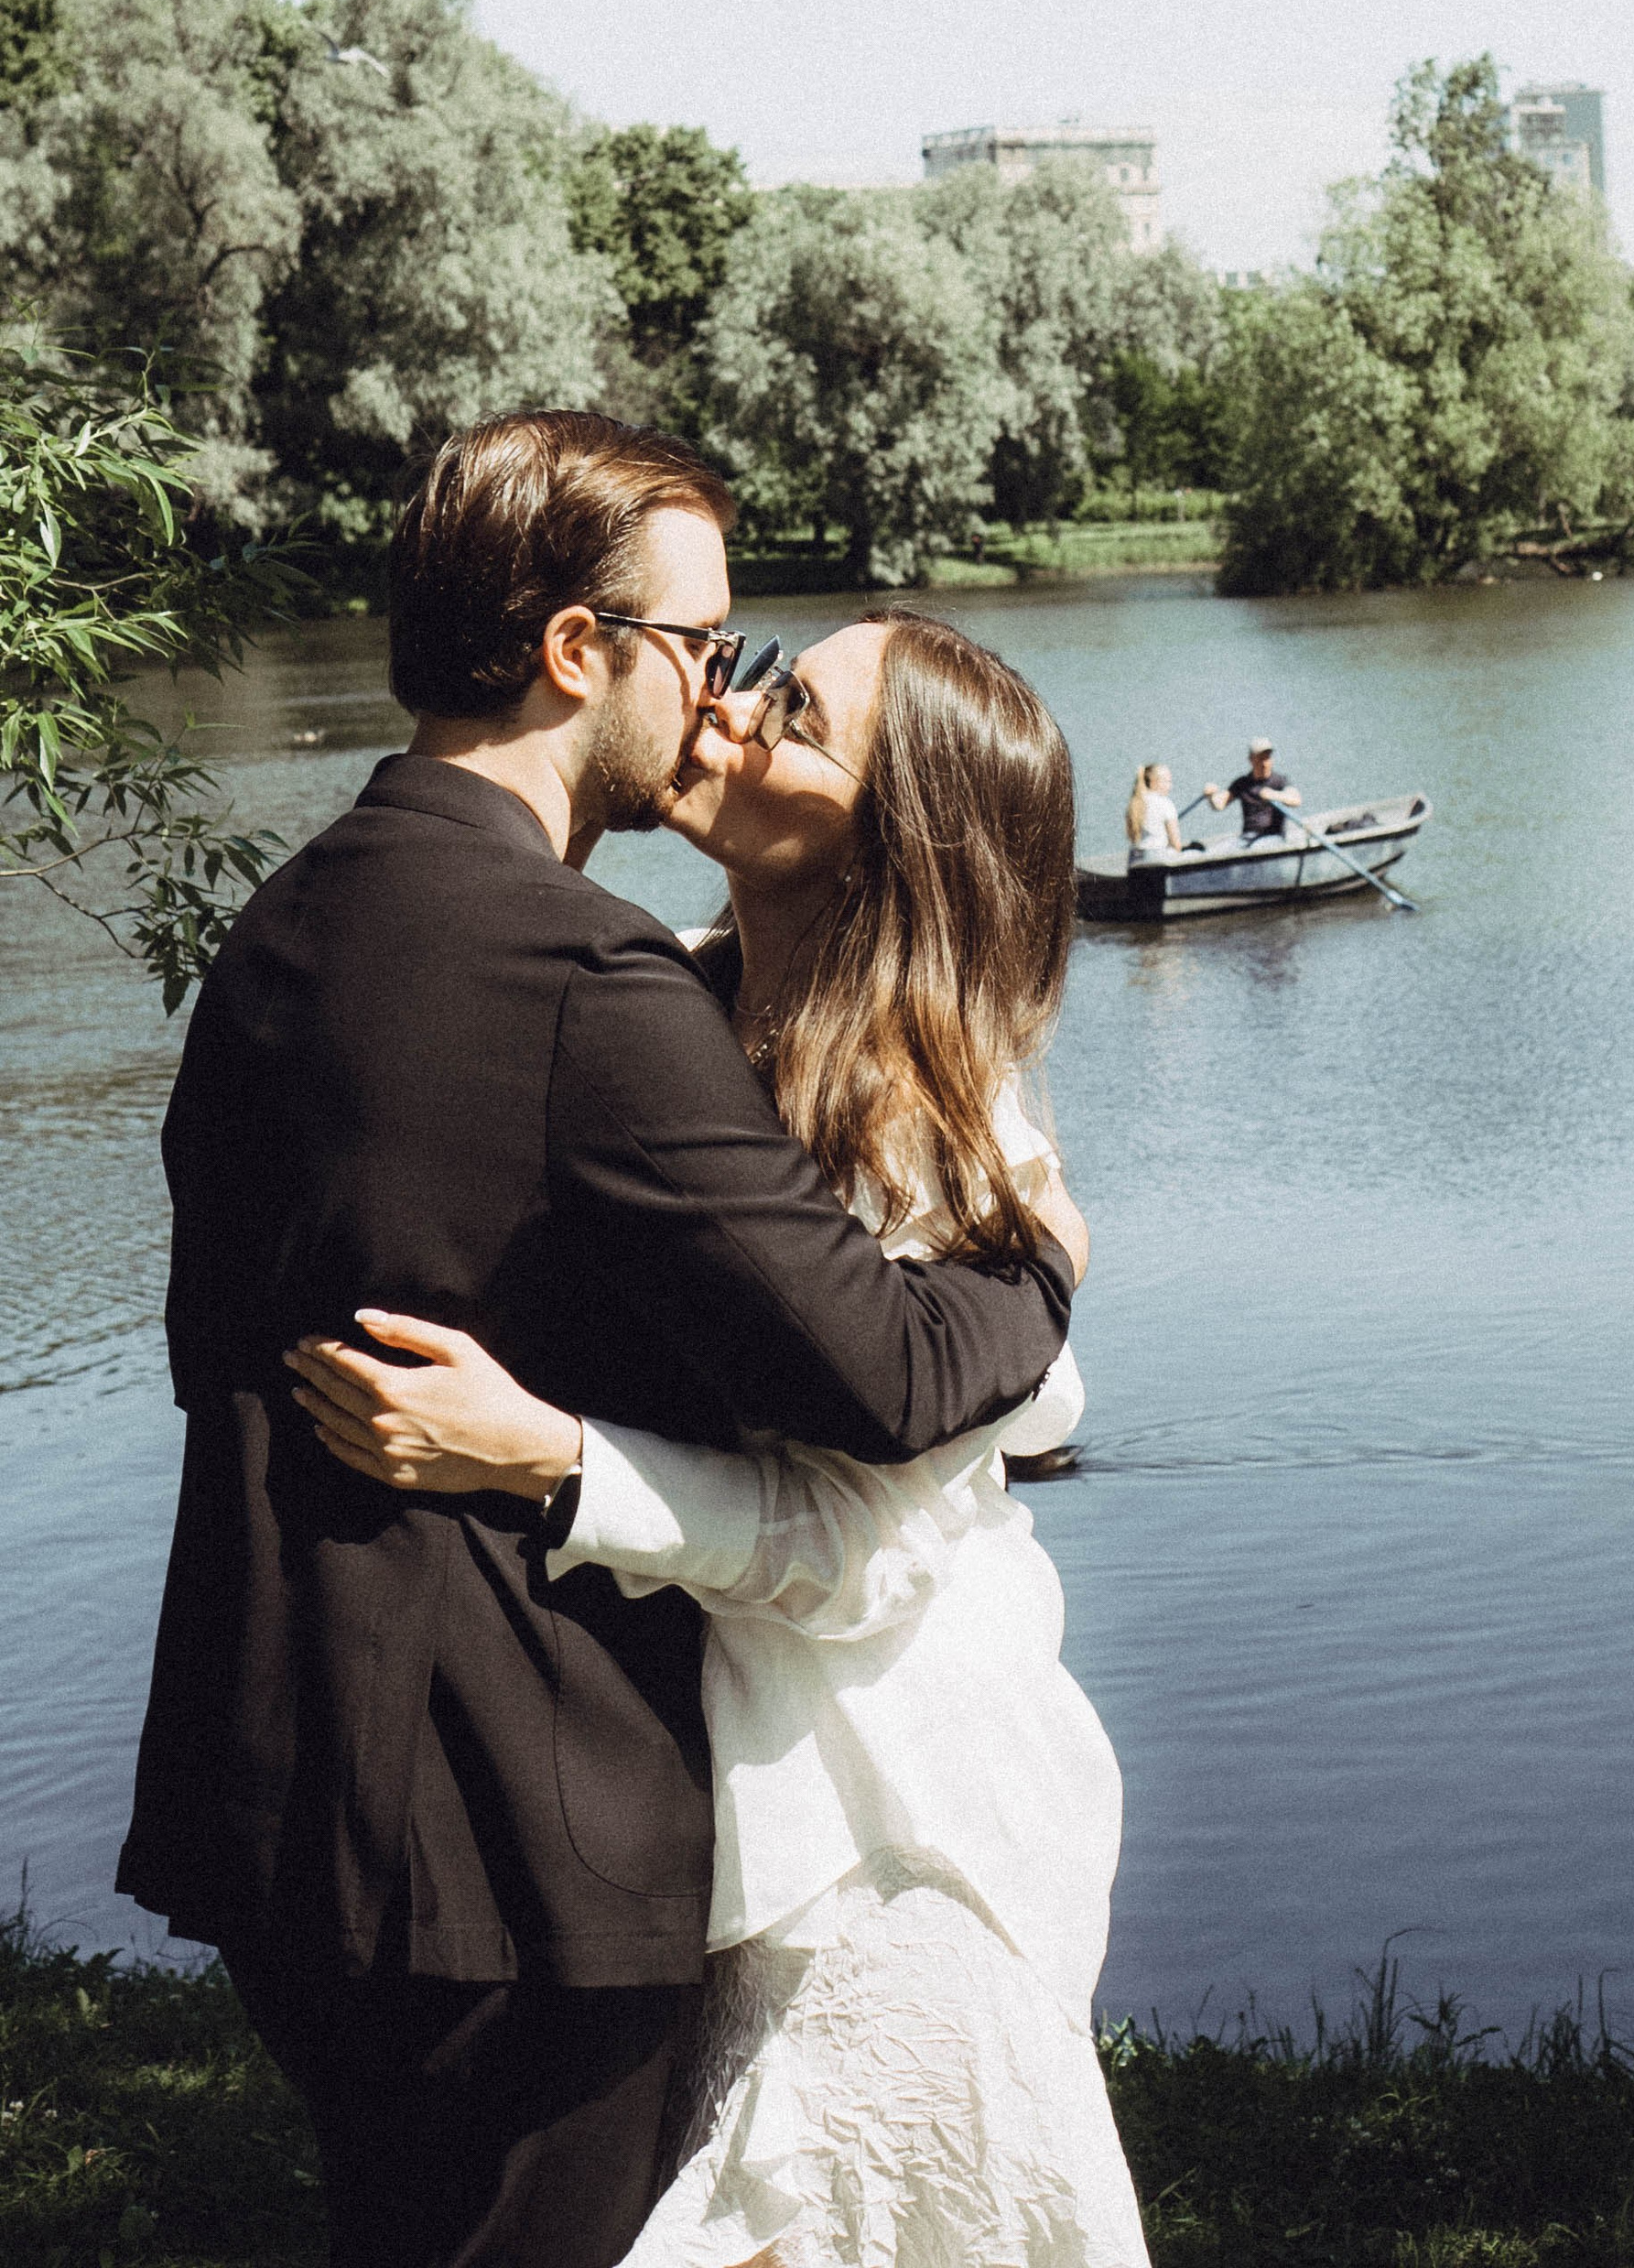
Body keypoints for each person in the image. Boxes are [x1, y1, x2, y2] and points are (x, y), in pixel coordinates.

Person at [116, 415, 1077, 2268]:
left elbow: (201, 1334)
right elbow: (879, 1376)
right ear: (579, 651)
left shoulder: (289, 927)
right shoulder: (582, 979)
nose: (717, 693)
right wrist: (1030, 1276)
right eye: (703, 647)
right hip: (501, 1841)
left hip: (280, 1798)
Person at [287, 611, 1148, 2266]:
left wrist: (550, 1456)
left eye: (798, 715)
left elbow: (879, 1554)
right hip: (702, 1791)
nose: (734, 714)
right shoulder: (664, 998)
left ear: (894, 831)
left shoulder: (929, 1131)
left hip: (885, 1822)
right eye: (760, 671)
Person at [1207, 735, 1302, 840]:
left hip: (1273, 837)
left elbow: (1296, 800)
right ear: (1251, 760)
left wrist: (1275, 795)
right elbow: (1219, 805)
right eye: (1260, 759)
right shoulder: (1242, 783)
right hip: (1248, 837)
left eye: (1267, 757)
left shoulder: (1280, 781)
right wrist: (1211, 796)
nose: (1265, 763)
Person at [1124, 758, 1185, 863]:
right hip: (1157, 860)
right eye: (1168, 781)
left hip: (1134, 859)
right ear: (1154, 783)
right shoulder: (1165, 803)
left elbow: (1132, 837)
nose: (1171, 786)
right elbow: (1176, 844)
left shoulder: (1134, 804)